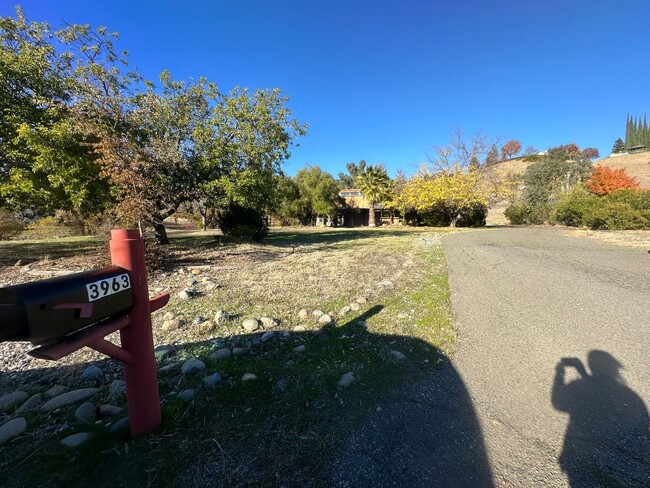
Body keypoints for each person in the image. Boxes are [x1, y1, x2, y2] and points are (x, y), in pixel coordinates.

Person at [552, 350, 650, 487]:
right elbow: (644, 429)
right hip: (629, 472)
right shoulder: (631, 397)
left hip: (586, 465)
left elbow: (559, 402)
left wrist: (560, 374)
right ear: (614, 370)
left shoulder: (580, 387)